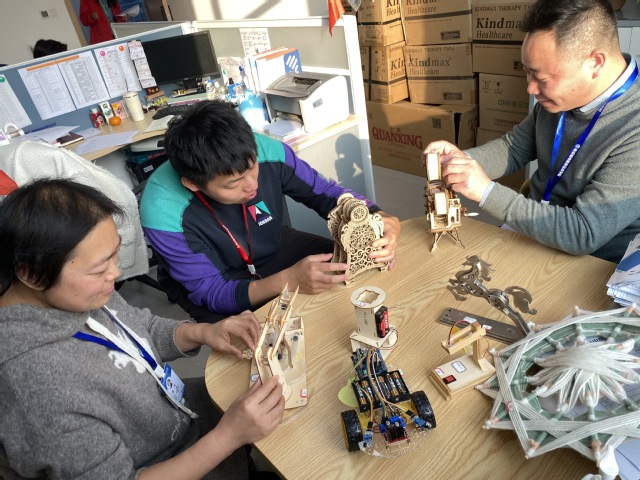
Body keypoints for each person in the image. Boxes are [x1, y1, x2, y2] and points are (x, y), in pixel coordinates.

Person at [0, 178, 284, 479]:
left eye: (115, 255)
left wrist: (202, 332)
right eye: (100, 268)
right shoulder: (36, 390)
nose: (115, 272)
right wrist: (229, 436)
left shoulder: (74, 292)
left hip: (184, 415)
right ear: (31, 274)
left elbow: (137, 327)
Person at [140, 99, 401, 323]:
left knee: (354, 269)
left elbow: (327, 194)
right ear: (193, 184)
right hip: (219, 278)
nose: (252, 185)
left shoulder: (264, 149)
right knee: (256, 346)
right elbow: (211, 291)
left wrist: (379, 217)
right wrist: (289, 280)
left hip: (273, 245)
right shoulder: (162, 210)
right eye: (233, 183)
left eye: (252, 168)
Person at [424, 0, 640, 264]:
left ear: (595, 63)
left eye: (542, 78)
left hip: (592, 262)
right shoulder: (559, 99)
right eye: (527, 73)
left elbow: (583, 233)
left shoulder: (634, 127)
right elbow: (514, 147)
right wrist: (461, 162)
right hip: (534, 232)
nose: (531, 89)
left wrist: (485, 191)